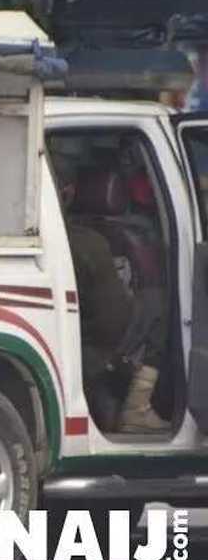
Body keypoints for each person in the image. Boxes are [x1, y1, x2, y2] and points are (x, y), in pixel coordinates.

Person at [52, 153, 169, 433]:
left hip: (62, 343)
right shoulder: (88, 243)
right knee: (159, 303)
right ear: (70, 192)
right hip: (93, 354)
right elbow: (113, 319)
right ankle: (137, 407)